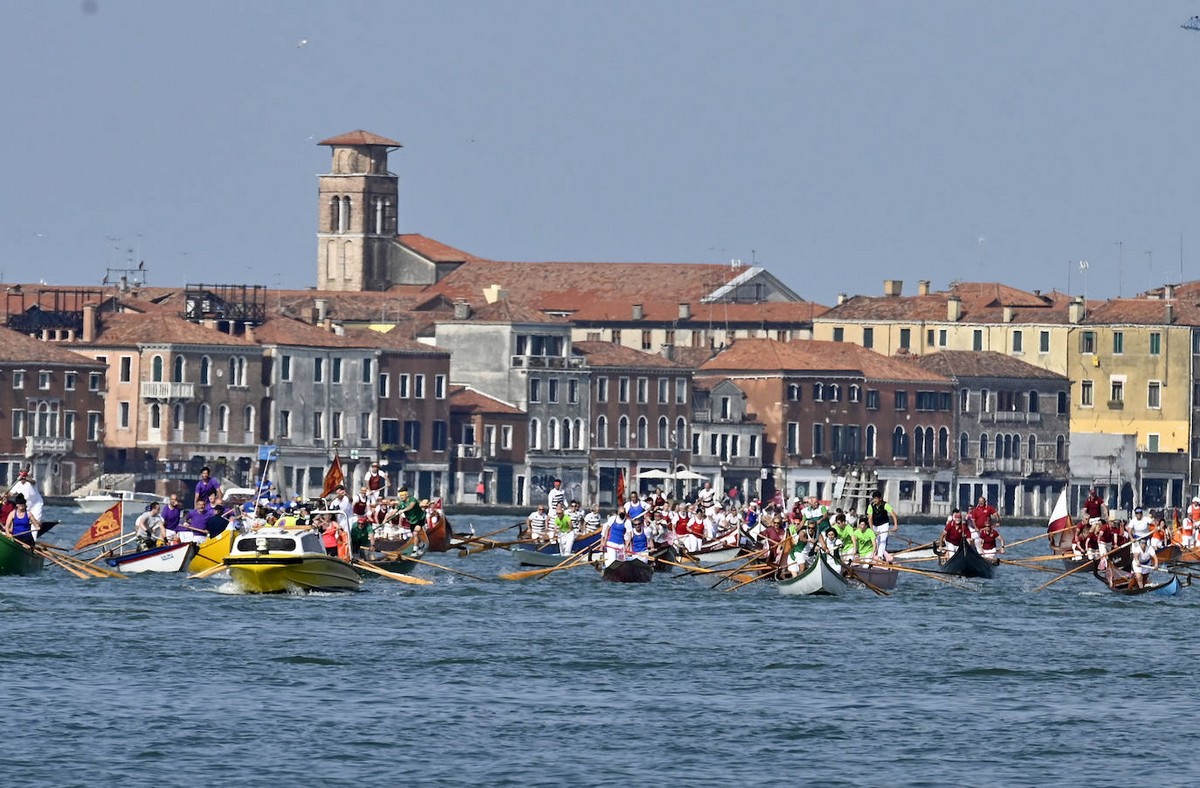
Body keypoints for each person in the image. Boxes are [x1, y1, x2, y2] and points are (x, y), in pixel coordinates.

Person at [865, 491, 898, 562]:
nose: (875, 500)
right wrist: (872, 530)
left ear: (880, 498)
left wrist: (895, 526)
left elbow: (893, 515)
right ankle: (875, 554)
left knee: (883, 539)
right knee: (875, 540)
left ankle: (880, 556)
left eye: (876, 498)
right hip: (875, 525)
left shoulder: (885, 505)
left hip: (884, 524)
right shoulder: (871, 506)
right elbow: (870, 519)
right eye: (874, 498)